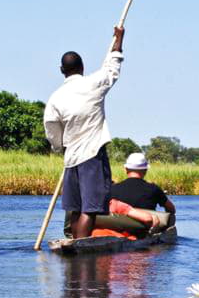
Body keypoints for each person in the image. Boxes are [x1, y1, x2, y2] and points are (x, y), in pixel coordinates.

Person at [44, 26, 124, 239]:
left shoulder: (55, 98)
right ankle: (80, 245)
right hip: (91, 155)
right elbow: (112, 69)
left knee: (75, 209)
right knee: (90, 209)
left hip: (71, 158)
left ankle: (73, 246)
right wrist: (119, 40)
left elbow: (51, 129)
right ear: (82, 67)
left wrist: (59, 146)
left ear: (62, 70)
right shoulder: (93, 84)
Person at [107, 152, 176, 224]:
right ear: (145, 170)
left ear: (126, 169)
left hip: (119, 228)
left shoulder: (113, 189)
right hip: (145, 229)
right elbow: (171, 209)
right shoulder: (154, 189)